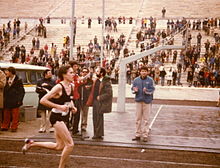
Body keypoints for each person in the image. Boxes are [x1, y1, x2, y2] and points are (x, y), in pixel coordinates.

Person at [22, 65, 77, 168]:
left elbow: (69, 99)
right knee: (70, 144)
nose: (73, 74)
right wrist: (59, 106)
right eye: (71, 72)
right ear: (64, 75)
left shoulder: (71, 86)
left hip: (64, 118)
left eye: (73, 72)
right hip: (56, 117)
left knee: (59, 146)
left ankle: (31, 143)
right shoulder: (58, 87)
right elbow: (43, 100)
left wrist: (73, 107)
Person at [87, 67, 113, 140]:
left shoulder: (106, 82)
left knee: (98, 118)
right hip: (95, 101)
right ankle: (97, 133)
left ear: (101, 73)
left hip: (99, 102)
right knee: (95, 118)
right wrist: (89, 87)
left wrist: (100, 97)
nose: (96, 73)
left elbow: (109, 93)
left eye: (97, 71)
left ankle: (98, 134)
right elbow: (94, 88)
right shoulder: (97, 80)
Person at [131, 66, 155, 142]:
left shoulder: (150, 80)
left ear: (147, 72)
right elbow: (132, 89)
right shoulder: (136, 80)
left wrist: (146, 91)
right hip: (138, 101)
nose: (144, 72)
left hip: (147, 101)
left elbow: (152, 90)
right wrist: (135, 90)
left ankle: (145, 135)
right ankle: (137, 134)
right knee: (138, 119)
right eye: (142, 71)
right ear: (140, 72)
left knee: (146, 119)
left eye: (145, 71)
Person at [1, 67, 25, 132]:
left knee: (15, 115)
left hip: (15, 100)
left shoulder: (18, 80)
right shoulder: (6, 79)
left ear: (11, 72)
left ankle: (14, 127)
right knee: (6, 114)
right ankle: (5, 126)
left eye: (7, 71)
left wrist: (20, 100)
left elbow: (22, 91)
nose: (6, 73)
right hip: (7, 100)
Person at [78, 67, 93, 139]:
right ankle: (76, 125)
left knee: (85, 113)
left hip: (86, 99)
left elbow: (92, 88)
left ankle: (84, 125)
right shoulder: (79, 80)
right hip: (79, 99)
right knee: (78, 113)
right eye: (83, 72)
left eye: (86, 72)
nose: (84, 73)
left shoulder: (90, 81)